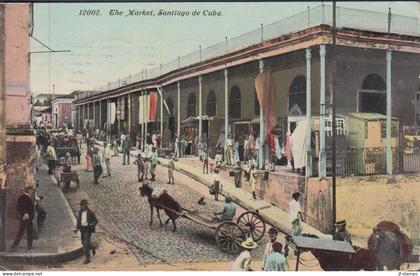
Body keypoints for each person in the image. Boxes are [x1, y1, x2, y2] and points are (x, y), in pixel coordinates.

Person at [10, 186, 35, 250]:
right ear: (29, 191)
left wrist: (24, 213)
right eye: (31, 190)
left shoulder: (23, 197)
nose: (32, 192)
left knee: (21, 231)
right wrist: (26, 214)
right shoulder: (25, 197)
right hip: (27, 218)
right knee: (29, 232)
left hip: (25, 218)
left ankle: (15, 245)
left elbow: (19, 207)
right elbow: (23, 208)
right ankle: (29, 246)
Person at [74, 199, 98, 265]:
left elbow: (96, 221)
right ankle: (93, 248)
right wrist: (77, 228)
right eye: (81, 206)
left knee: (86, 244)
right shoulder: (80, 211)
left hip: (88, 229)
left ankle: (88, 258)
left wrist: (92, 224)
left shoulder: (90, 212)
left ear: (85, 206)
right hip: (82, 229)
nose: (81, 207)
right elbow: (79, 221)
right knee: (83, 242)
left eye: (82, 206)